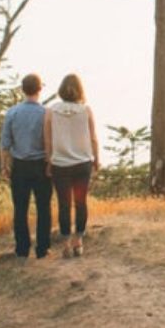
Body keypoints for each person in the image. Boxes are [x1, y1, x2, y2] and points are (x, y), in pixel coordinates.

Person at [44, 73, 100, 258]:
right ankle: (79, 241)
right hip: (83, 162)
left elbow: (48, 140)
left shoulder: (51, 111)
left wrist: (48, 161)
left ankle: (66, 244)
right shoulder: (86, 110)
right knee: (81, 202)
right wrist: (96, 159)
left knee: (64, 204)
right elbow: (93, 138)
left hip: (60, 164)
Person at [0, 74, 53, 258]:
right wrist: (50, 163)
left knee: (20, 209)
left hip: (20, 166)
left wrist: (4, 165)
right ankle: (42, 249)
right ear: (39, 89)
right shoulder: (46, 113)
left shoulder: (12, 113)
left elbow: (5, 143)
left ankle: (22, 249)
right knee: (43, 207)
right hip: (41, 165)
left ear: (23, 90)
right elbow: (50, 142)